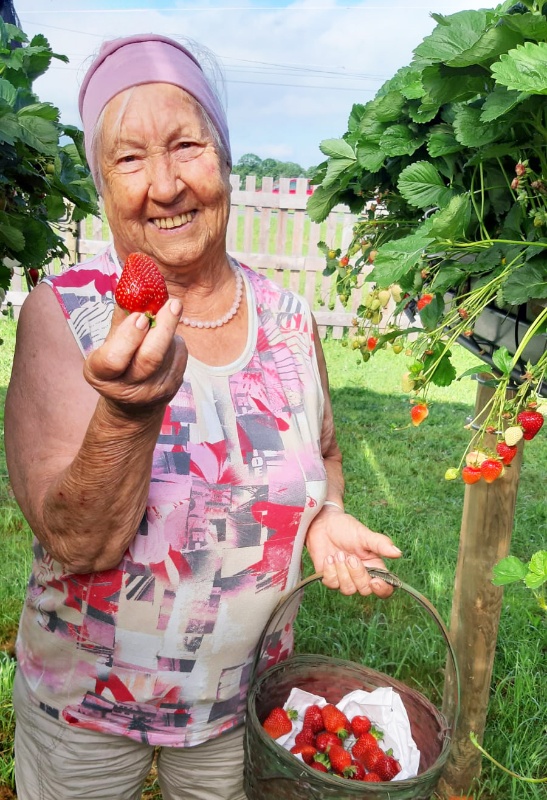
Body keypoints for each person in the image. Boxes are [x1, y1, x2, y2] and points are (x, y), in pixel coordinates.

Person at [4, 34, 402, 800]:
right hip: (86, 711)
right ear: (101, 185)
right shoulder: (65, 314)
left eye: (187, 145)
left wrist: (324, 515)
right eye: (128, 159)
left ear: (223, 157)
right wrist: (127, 411)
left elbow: (322, 451)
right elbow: (77, 542)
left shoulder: (288, 317)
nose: (165, 184)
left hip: (240, 704)